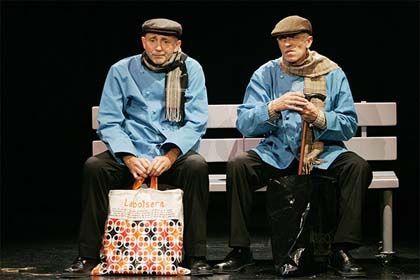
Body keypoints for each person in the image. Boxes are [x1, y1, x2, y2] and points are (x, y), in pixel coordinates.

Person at [213, 15, 372, 278]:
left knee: (357, 166)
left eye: (294, 38)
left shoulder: (332, 73)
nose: (288, 44)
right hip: (277, 152)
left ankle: (340, 249)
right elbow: (245, 122)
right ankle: (240, 250)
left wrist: (318, 116)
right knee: (238, 166)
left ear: (308, 40)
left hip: (321, 153)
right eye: (282, 39)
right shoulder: (266, 73)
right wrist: (273, 107)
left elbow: (348, 125)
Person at [63, 18, 212, 277]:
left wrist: (170, 155)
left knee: (196, 166)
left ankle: (196, 256)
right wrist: (129, 157)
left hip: (170, 155)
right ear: (143, 42)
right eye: (152, 40)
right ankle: (87, 256)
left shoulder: (191, 68)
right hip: (131, 155)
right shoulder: (122, 70)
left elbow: (197, 120)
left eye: (166, 42)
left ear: (177, 45)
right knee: (95, 166)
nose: (158, 47)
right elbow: (109, 120)